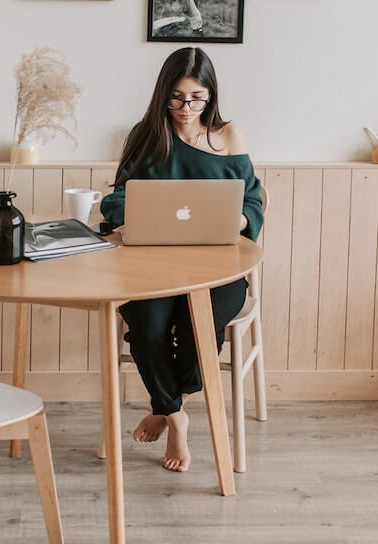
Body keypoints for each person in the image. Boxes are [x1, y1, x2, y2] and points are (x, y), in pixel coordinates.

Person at [100, 47, 263, 472]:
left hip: (219, 266)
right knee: (148, 325)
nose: (186, 107)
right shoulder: (146, 133)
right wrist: (128, 216)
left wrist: (241, 218)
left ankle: (164, 405)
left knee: (199, 325)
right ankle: (176, 414)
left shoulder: (228, 136)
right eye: (176, 97)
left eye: (196, 97)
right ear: (162, 94)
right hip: (151, 264)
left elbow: (252, 199)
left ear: (211, 96)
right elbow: (117, 197)